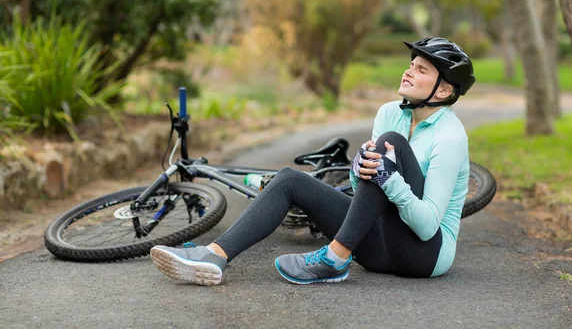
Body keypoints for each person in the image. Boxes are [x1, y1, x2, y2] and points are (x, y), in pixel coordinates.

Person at [150, 37, 476, 286]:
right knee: (291, 179)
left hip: (422, 257)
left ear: (444, 89)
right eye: (412, 64)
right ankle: (214, 256)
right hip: (376, 249)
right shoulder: (390, 112)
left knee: (391, 144)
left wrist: (390, 179)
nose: (408, 71)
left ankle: (334, 258)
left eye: (422, 70)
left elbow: (427, 226)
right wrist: (358, 169)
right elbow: (364, 193)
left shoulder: (450, 136)